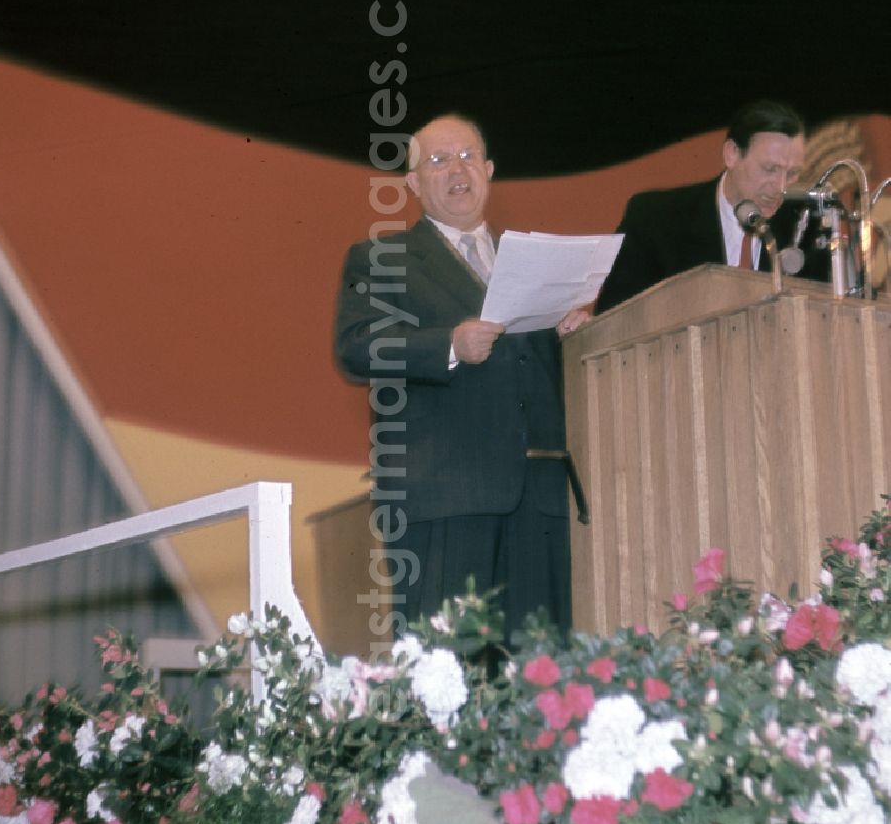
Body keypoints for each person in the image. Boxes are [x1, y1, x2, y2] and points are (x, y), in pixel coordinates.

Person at [335, 114, 586, 646]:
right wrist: (448, 345)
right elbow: (356, 347)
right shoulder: (380, 257)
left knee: (544, 677)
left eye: (469, 156)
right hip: (447, 497)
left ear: (490, 170)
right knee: (451, 673)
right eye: (439, 159)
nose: (457, 170)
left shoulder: (531, 261)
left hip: (540, 501)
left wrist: (575, 334)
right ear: (413, 183)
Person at [595, 99, 827, 314]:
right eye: (769, 169)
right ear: (732, 154)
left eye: (793, 173)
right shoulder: (655, 220)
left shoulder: (805, 226)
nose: (781, 187)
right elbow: (615, 314)